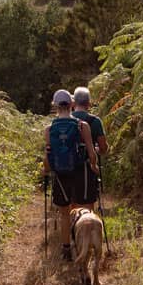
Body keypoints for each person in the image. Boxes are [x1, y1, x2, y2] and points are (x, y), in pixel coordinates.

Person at [44, 89, 99, 260]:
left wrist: (46, 170)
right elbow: (92, 153)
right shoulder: (82, 126)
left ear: (55, 105)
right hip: (81, 172)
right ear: (71, 104)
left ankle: (66, 249)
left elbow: (47, 157)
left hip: (61, 175)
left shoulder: (49, 129)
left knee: (64, 214)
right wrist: (94, 166)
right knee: (85, 210)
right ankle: (83, 246)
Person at [71, 86, 108, 212]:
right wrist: (96, 149)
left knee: (71, 207)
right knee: (87, 206)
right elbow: (103, 148)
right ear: (89, 103)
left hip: (66, 168)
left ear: (74, 102)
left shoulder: (65, 120)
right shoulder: (95, 121)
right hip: (87, 169)